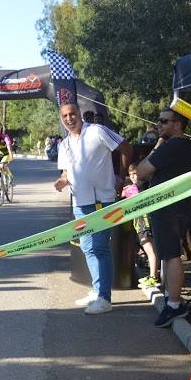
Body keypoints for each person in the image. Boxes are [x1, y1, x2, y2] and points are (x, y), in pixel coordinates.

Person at [54, 103, 132, 315]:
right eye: (65, 116)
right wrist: (62, 181)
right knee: (88, 248)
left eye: (72, 114)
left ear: (79, 114)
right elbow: (65, 173)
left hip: (102, 201)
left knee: (99, 249)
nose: (69, 118)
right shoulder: (65, 145)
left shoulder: (97, 131)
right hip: (80, 203)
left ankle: (104, 299)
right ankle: (97, 290)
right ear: (62, 119)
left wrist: (122, 177)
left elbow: (125, 147)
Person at [136, 109, 191, 327]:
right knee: (171, 254)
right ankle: (171, 298)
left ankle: (173, 305)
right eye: (158, 120)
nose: (159, 125)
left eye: (164, 121)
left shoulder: (170, 146)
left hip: (166, 208)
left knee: (170, 255)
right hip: (187, 206)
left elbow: (141, 172)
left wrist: (158, 145)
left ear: (178, 125)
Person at [121, 164, 159, 289]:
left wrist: (125, 189)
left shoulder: (137, 188)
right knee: (149, 249)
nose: (133, 177)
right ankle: (153, 275)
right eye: (131, 174)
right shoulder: (147, 185)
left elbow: (122, 194)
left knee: (150, 249)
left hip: (143, 221)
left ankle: (153, 277)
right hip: (143, 222)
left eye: (135, 174)